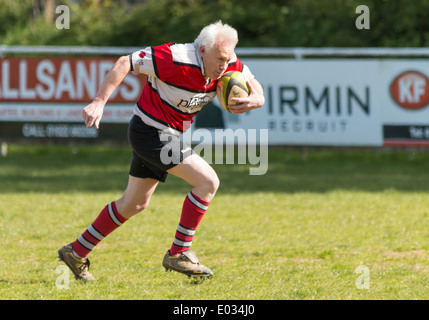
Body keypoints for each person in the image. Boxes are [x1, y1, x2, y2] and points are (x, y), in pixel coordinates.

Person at [58, 21, 265, 281]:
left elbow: (253, 83)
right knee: (208, 182)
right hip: (149, 132)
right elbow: (125, 62)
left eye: (228, 59)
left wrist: (257, 99)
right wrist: (99, 102)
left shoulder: (227, 61)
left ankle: (75, 252)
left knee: (133, 204)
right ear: (202, 50)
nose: (224, 66)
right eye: (220, 59)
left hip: (165, 134)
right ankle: (179, 252)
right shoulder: (175, 57)